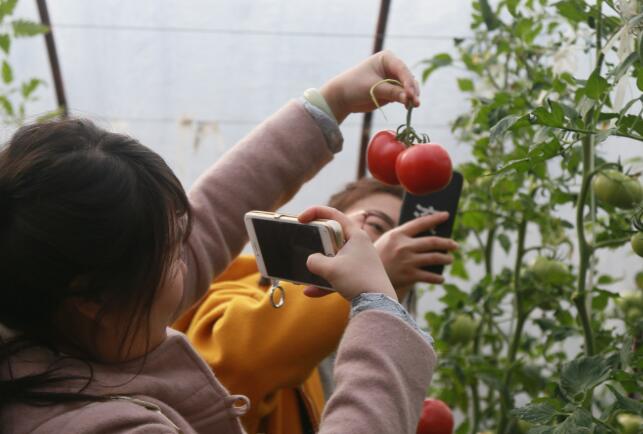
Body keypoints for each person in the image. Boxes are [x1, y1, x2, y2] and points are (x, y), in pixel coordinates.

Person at [0, 51, 436, 434]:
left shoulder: (54, 321)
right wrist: (378, 305)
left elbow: (210, 217)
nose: (188, 257)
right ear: (91, 295)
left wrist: (331, 103)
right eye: (171, 252)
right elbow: (247, 355)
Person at [174, 177, 458, 434]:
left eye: (404, 241)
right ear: (322, 223)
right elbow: (234, 365)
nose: (388, 246)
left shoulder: (376, 351)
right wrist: (369, 279)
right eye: (376, 226)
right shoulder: (249, 287)